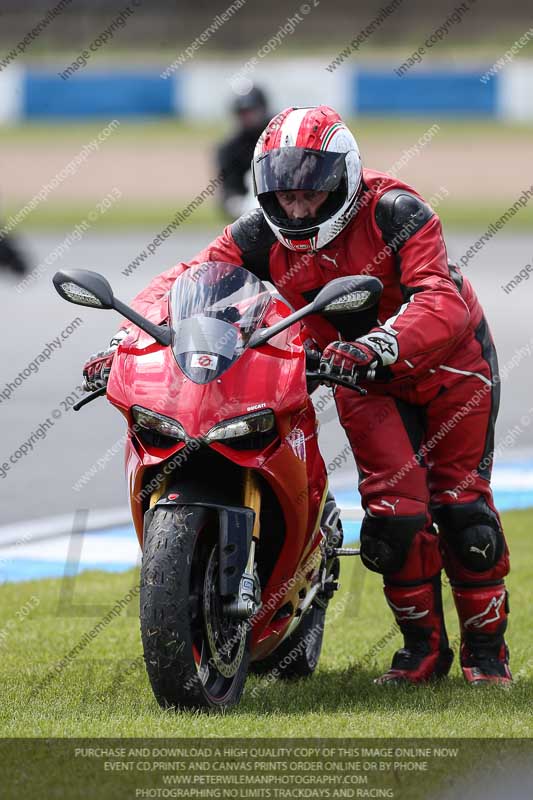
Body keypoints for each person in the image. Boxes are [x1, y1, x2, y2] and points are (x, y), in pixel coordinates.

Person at [84, 105, 511, 686]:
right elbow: (186, 280)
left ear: (346, 179)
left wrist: (378, 342)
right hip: (357, 376)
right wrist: (125, 339)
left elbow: (441, 299)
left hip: (452, 371)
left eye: (312, 193)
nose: (299, 207)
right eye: (285, 195)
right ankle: (422, 654)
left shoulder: (397, 212)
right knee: (395, 522)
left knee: (465, 514)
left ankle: (487, 656)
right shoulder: (258, 232)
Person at [216, 85, 270, 219]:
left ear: (262, 109)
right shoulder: (229, 149)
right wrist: (241, 207)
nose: (247, 117)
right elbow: (229, 189)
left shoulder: (282, 135)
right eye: (242, 112)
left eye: (251, 111)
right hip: (250, 207)